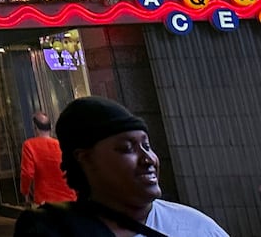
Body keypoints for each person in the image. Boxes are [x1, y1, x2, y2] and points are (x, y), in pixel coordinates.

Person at [15, 96, 228, 236]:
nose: (148, 159)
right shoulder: (49, 230)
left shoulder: (199, 227)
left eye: (146, 145)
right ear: (85, 158)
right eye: (127, 148)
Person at [20, 112, 77, 206]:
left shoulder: (29, 145)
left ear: (35, 128)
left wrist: (25, 191)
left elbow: (27, 173)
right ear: (50, 126)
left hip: (45, 200)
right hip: (69, 198)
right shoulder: (61, 145)